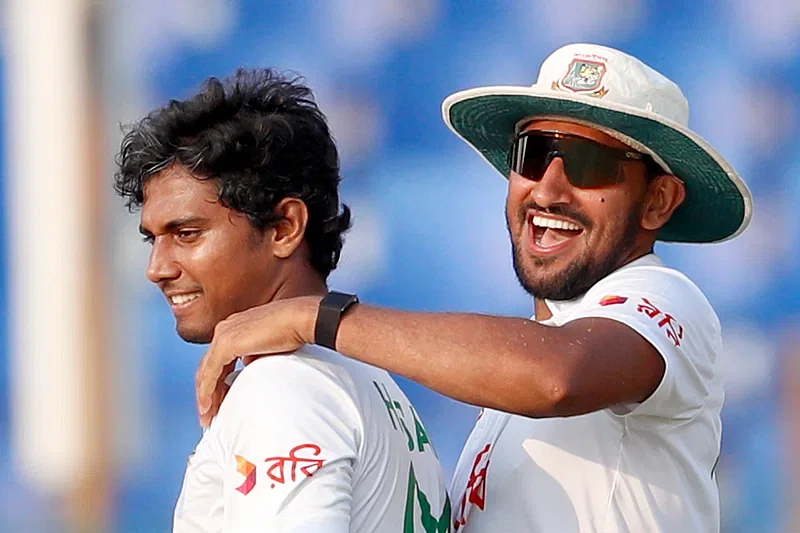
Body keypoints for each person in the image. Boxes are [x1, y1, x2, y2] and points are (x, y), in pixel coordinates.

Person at [193, 44, 753, 532]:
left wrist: (314, 316)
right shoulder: (504, 400)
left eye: (588, 164)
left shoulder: (667, 298)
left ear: (657, 201)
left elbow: (557, 376)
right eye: (532, 156)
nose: (548, 189)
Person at [114, 68, 451, 533]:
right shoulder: (366, 377)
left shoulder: (284, 388)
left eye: (187, 234)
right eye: (153, 239)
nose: (157, 268)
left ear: (284, 227)